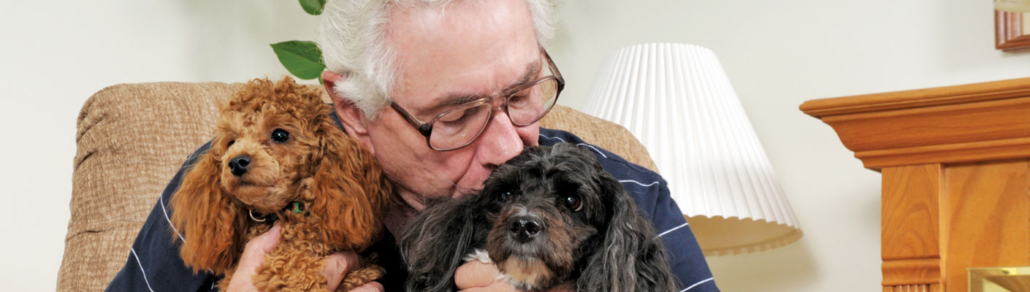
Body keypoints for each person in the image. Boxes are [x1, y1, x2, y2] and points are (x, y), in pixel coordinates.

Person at [107, 0, 719, 291]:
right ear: (354, 110)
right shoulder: (244, 187)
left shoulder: (628, 196)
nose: (508, 144)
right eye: (456, 116)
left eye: (524, 91)